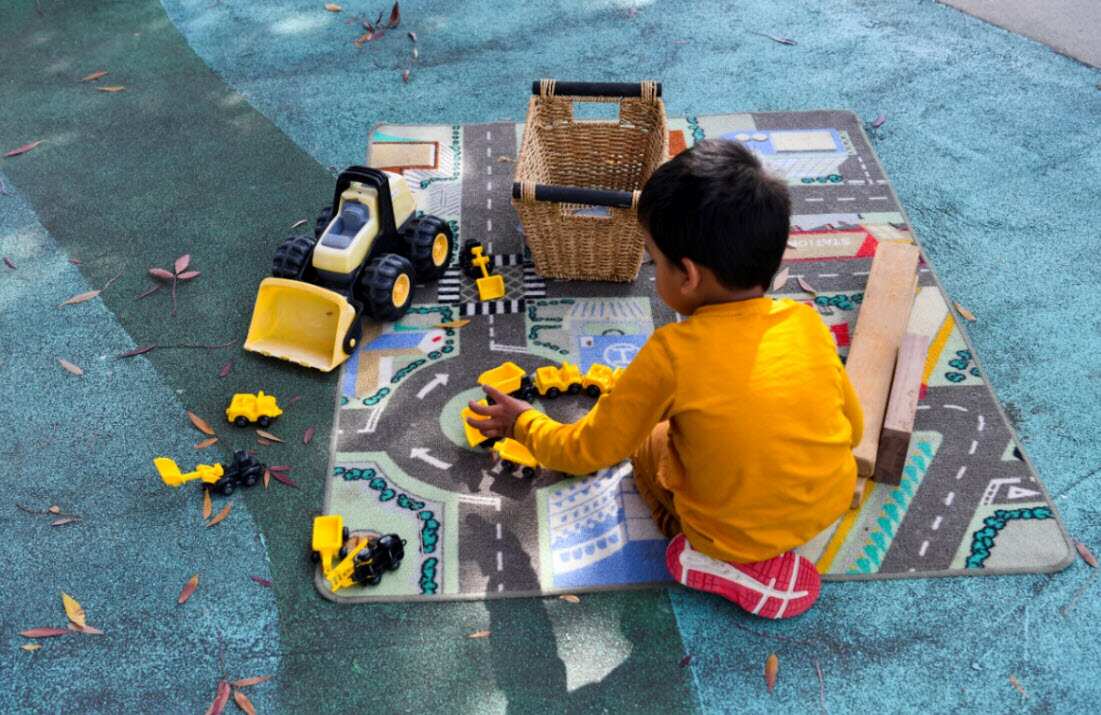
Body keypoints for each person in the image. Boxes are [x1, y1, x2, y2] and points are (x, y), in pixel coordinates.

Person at [467, 139, 863, 619]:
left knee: (645, 447)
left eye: (653, 260)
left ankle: (709, 557)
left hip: (733, 533)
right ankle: (756, 536)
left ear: (689, 276)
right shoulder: (806, 321)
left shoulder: (671, 355)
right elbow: (855, 430)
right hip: (829, 503)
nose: (652, 271)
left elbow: (586, 452)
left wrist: (523, 424)